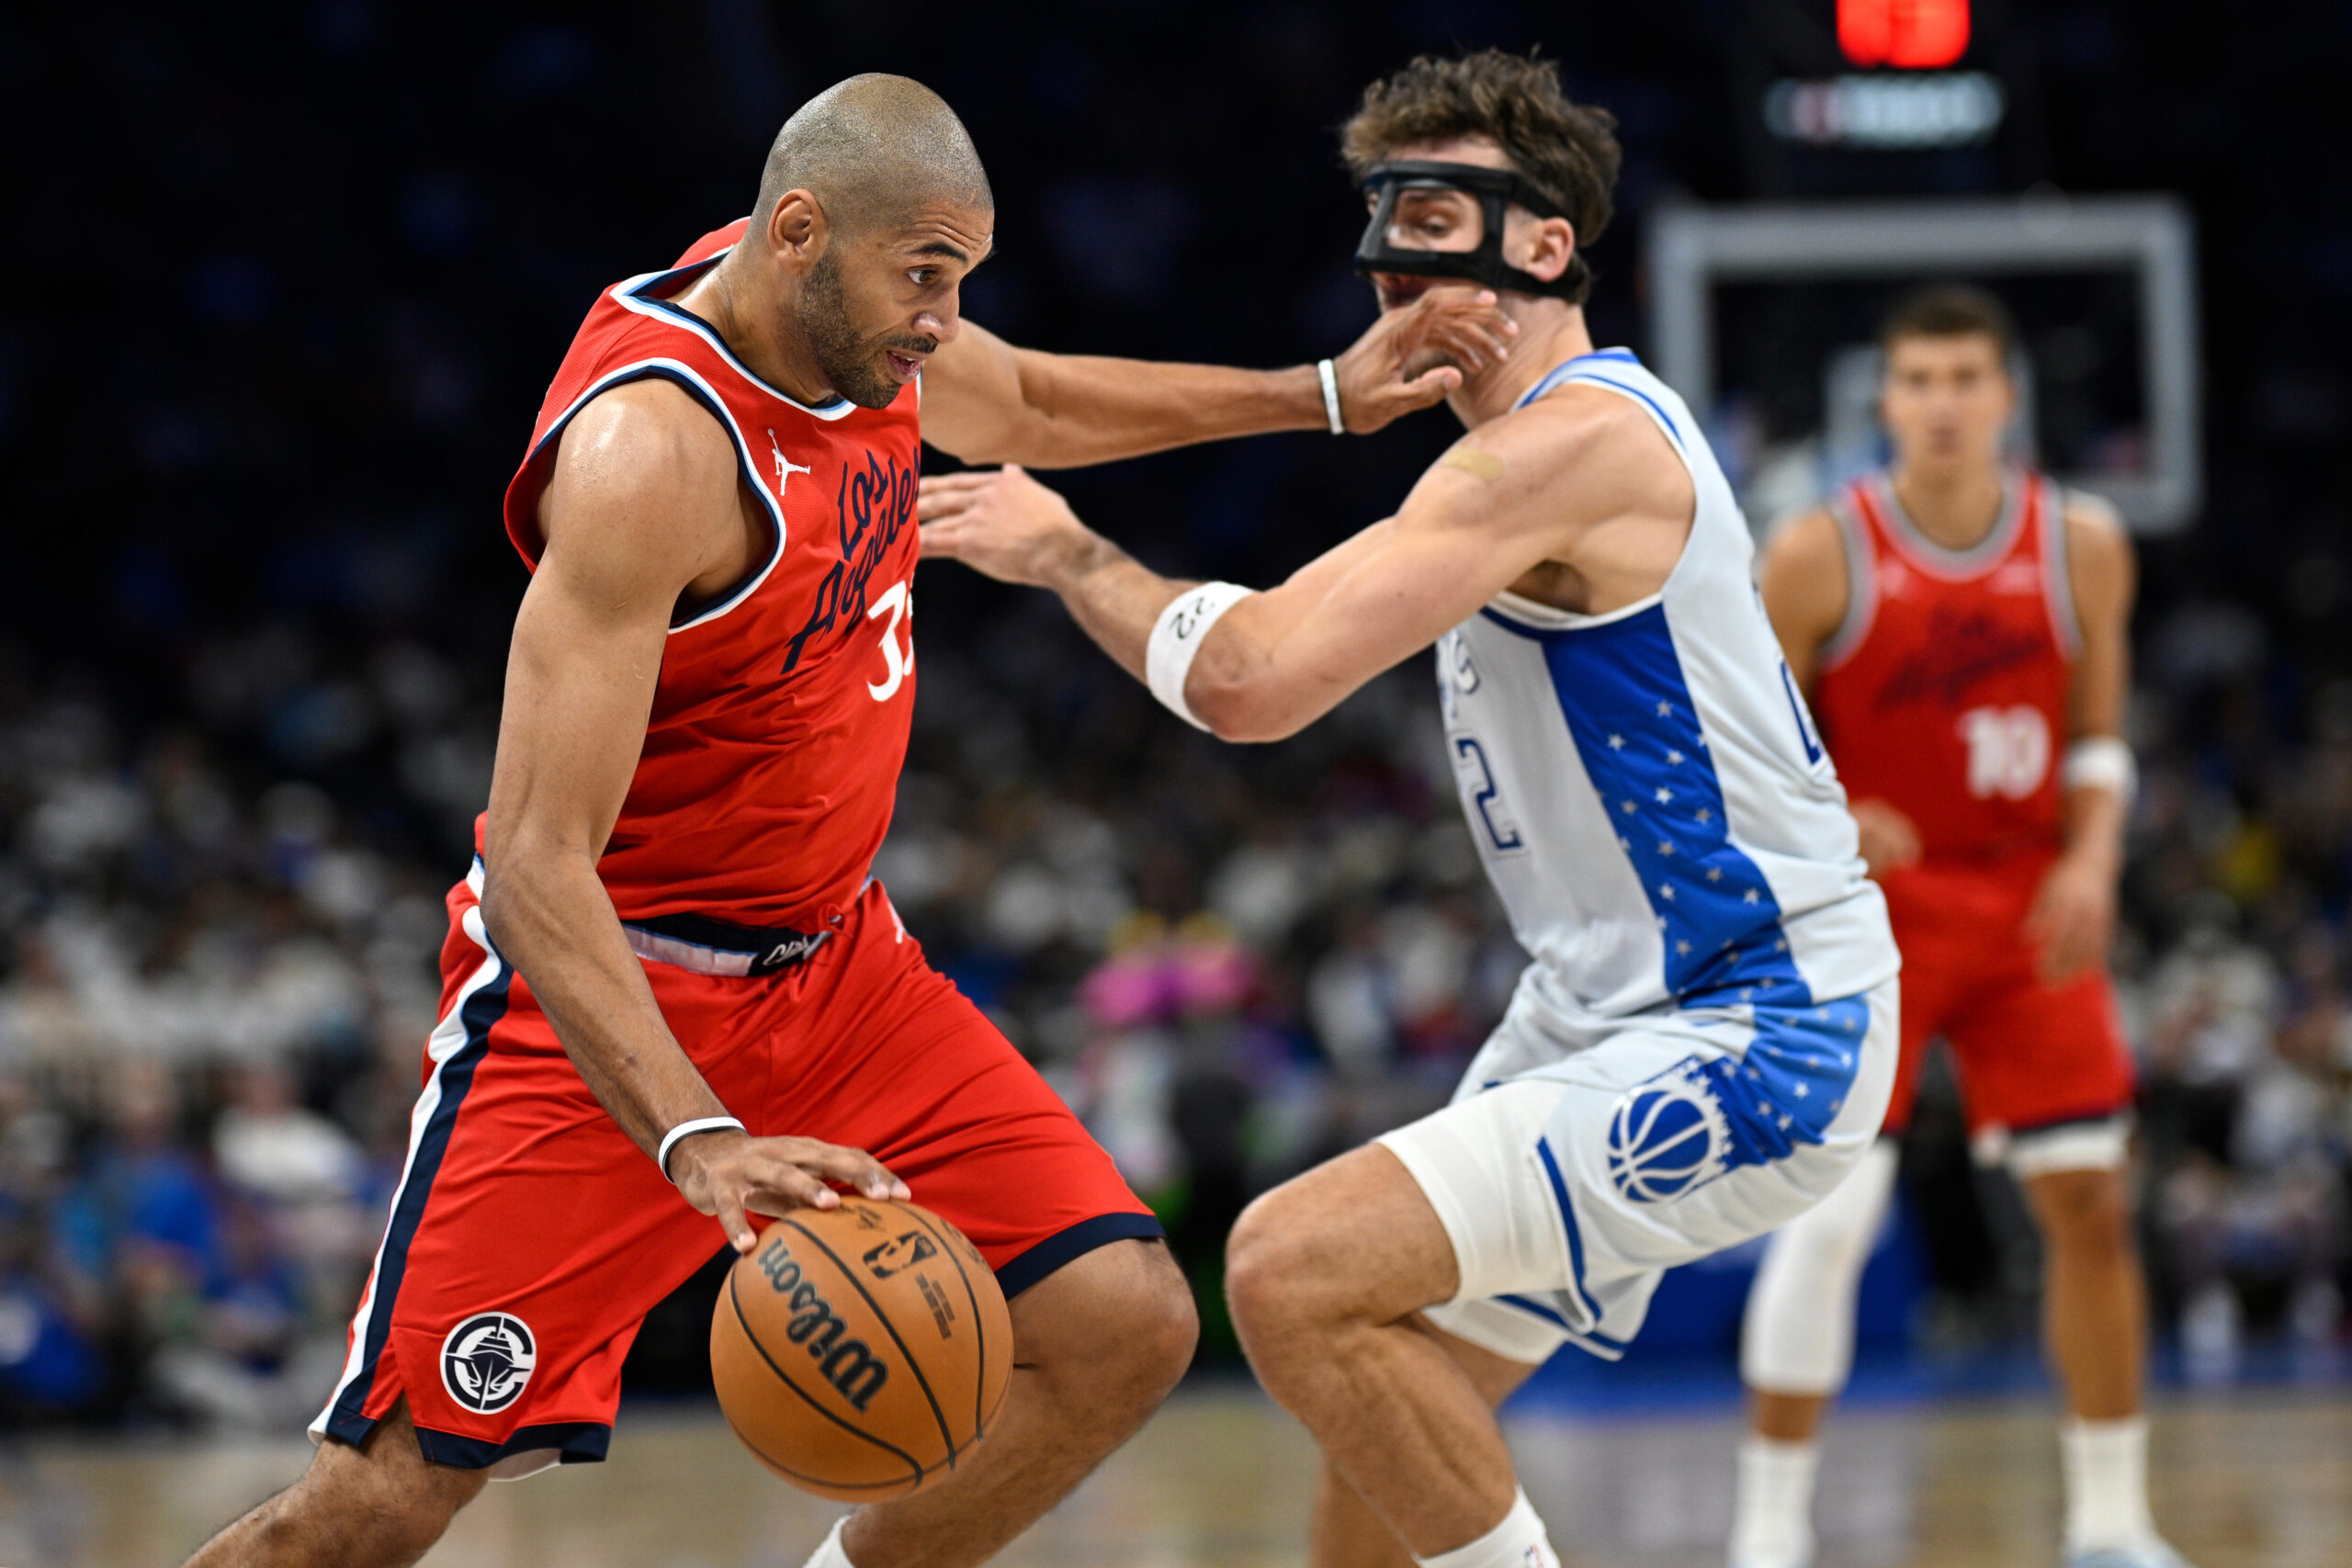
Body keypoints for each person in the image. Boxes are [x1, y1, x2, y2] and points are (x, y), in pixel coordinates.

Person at [182, 73, 1515, 1568]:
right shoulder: (652, 460)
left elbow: (1038, 402)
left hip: (840, 975)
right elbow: (539, 867)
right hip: (611, 1006)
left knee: (1124, 1324)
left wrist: (1319, 397)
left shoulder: (852, 323)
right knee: (371, 1510)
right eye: (928, 276)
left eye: (963, 278)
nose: (944, 319)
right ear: (800, 233)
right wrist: (695, 1137)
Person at [918, 50, 1900, 1568]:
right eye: (1380, 217)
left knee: (1289, 1269)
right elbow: (1009, 390)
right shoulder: (1508, 462)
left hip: (1765, 1018)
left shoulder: (1570, 445)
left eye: (1434, 216)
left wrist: (1072, 559)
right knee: (1383, 1420)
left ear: (1546, 247)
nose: (1390, 257)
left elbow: (1251, 684)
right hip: (1601, 1009)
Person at [1726, 286, 2177, 1568]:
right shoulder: (1818, 550)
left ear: (2005, 396)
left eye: (1963, 377)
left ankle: (2111, 1527)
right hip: (1869, 915)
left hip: (2029, 893)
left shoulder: (2084, 542)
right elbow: (1751, 748)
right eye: (1917, 379)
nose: (1940, 401)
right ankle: (1769, 1537)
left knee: (2091, 1201)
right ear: (1883, 399)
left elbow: (2098, 738)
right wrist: (1838, 810)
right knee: (1831, 1219)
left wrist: (2093, 862)